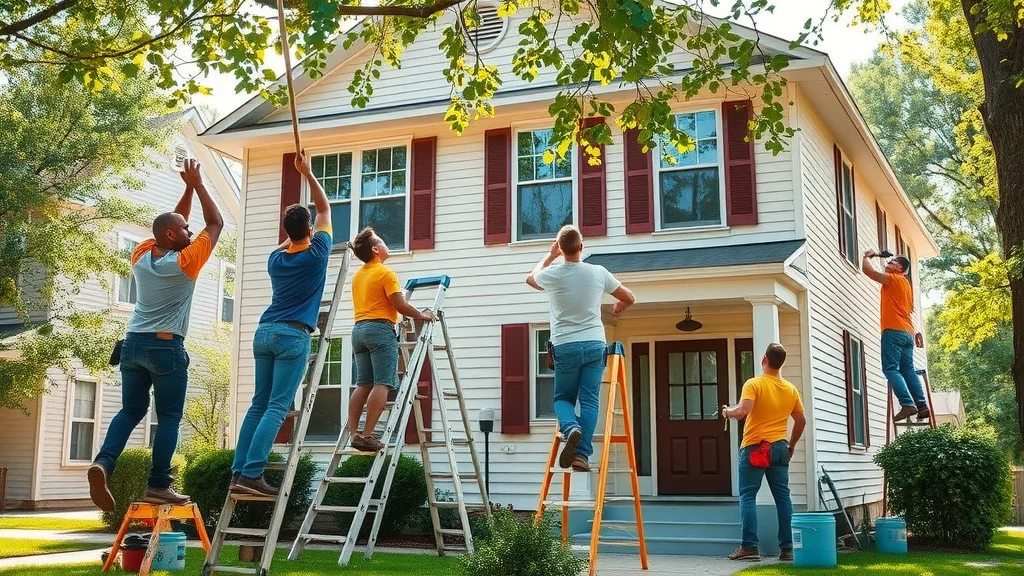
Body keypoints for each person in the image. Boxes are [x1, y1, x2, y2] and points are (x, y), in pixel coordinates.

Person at [88, 159, 224, 510]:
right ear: (171, 236)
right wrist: (199, 183)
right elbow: (216, 222)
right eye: (184, 230)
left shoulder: (140, 253)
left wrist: (189, 188)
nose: (191, 233)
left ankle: (103, 462)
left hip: (132, 344)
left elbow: (173, 223)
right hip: (165, 348)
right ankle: (159, 485)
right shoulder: (186, 262)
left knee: (130, 410)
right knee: (169, 419)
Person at [229, 152, 331, 497]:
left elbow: (292, 237)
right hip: (292, 334)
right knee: (276, 407)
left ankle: (238, 472)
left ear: (286, 232)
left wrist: (296, 226)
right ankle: (252, 474)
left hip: (264, 331)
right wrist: (309, 174)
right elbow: (325, 208)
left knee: (258, 404)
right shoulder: (317, 254)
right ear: (311, 230)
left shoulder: (275, 259)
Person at [526, 225, 635, 472]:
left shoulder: (554, 274)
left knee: (562, 398)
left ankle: (570, 428)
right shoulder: (598, 272)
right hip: (596, 344)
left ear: (561, 248)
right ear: (581, 247)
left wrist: (551, 255)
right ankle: (582, 455)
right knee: (590, 401)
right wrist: (618, 308)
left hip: (565, 345)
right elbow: (629, 297)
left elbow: (530, 278)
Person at [347, 227, 435, 452]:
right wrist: (421, 315)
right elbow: (400, 305)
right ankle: (368, 435)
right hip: (379, 329)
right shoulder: (386, 273)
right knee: (382, 383)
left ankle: (354, 433)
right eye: (382, 241)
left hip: (358, 331)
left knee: (363, 383)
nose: (386, 244)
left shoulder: (359, 275)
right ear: (376, 250)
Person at [721, 343, 806, 562]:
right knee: (783, 498)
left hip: (756, 448)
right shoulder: (790, 389)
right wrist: (792, 444)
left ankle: (749, 547)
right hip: (779, 447)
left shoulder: (754, 383)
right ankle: (787, 549)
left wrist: (727, 412)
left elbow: (743, 411)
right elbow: (801, 420)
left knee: (748, 495)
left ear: (764, 359)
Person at [862, 250, 929, 421]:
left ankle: (907, 404)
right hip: (907, 333)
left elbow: (868, 271)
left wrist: (867, 257)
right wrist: (879, 257)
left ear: (900, 267)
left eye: (892, 263)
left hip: (893, 331)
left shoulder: (894, 279)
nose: (888, 264)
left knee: (890, 369)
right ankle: (922, 405)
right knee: (907, 370)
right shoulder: (906, 285)